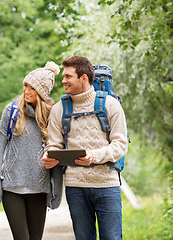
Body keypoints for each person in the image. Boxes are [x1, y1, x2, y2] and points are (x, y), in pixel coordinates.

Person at [42, 56, 128, 240]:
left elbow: (120, 144)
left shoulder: (110, 105)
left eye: (68, 76)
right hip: (75, 187)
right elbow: (54, 144)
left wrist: (94, 155)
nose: (63, 80)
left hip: (107, 185)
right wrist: (48, 156)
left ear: (83, 78)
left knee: (112, 238)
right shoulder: (59, 109)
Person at [0, 61, 63, 240]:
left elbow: (56, 152)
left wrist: (57, 191)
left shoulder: (52, 114)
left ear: (42, 92)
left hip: (39, 188)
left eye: (32, 88)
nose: (26, 91)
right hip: (11, 187)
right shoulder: (12, 111)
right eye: (25, 86)